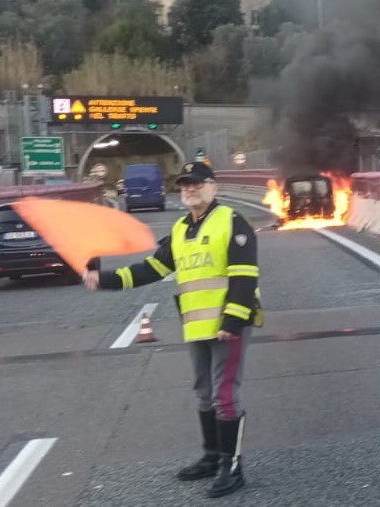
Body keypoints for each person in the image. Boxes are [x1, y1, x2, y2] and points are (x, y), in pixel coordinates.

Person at [83, 161, 262, 498]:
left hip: (229, 325)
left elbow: (244, 275)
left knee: (225, 396)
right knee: (203, 393)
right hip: (196, 325)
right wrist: (103, 279)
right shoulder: (180, 229)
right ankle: (211, 457)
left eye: (197, 183)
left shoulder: (233, 222)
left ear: (213, 187)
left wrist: (233, 321)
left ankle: (232, 466)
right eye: (184, 185)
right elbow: (150, 269)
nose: (190, 189)